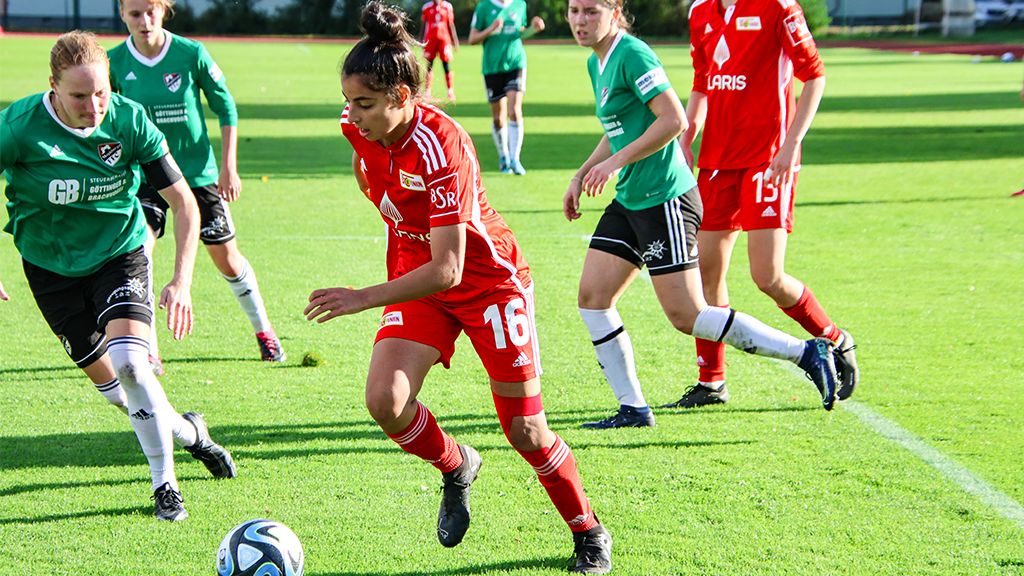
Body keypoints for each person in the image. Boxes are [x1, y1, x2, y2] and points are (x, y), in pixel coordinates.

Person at [305, 3, 611, 572]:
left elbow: (449, 268)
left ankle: (587, 529)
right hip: (419, 281)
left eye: (365, 103)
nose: (352, 115)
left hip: (487, 282)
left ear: (403, 96)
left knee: (526, 430)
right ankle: (456, 465)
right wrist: (397, 221)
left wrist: (362, 296)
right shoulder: (358, 127)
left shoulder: (443, 145)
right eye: (348, 101)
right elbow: (368, 167)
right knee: (385, 401)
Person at [564, 0, 840, 429]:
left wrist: (613, 165)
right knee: (593, 298)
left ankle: (807, 352)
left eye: (590, 11)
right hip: (632, 197)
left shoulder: (632, 54)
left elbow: (673, 120)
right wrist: (582, 173)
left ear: (614, 12)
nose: (580, 21)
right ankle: (633, 408)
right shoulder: (594, 63)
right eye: (574, 11)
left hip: (666, 199)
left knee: (688, 316)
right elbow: (619, 129)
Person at [0, 30, 236, 521]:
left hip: (120, 253)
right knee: (117, 392)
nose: (94, 106)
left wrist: (182, 280)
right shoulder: (18, 126)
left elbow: (184, 203)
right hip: (50, 268)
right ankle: (192, 433)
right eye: (80, 96)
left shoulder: (130, 120)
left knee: (133, 365)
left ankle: (164, 485)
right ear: (53, 87)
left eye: (102, 92)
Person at [666, 0, 858, 409]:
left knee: (767, 276)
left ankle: (834, 339)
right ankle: (711, 382)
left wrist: (791, 146)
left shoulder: (779, 6)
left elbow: (815, 76)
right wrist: (687, 137)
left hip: (767, 159)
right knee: (705, 272)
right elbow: (703, 81)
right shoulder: (700, 11)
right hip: (717, 161)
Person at [109, 0, 285, 373]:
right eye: (135, 13)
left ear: (164, 10)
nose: (145, 21)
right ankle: (149, 349)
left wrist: (228, 167)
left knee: (227, 258)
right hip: (146, 176)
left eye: (151, 11)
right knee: (140, 251)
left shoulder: (191, 54)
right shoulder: (114, 62)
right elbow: (109, 120)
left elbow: (226, 108)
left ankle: (265, 332)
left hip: (197, 173)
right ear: (122, 14)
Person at [468, 0, 544, 175]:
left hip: (516, 63)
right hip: (492, 67)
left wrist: (533, 29)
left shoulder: (520, 5)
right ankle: (504, 156)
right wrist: (490, 29)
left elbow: (519, 34)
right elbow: (472, 39)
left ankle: (515, 159)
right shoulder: (484, 7)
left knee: (514, 110)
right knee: (498, 118)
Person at [420, 0, 459, 102]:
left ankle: (450, 91)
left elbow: (451, 24)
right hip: (430, 40)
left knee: (446, 65)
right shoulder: (426, 7)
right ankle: (427, 91)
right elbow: (424, 25)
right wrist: (421, 41)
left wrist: (455, 40)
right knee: (429, 66)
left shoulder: (447, 6)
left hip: (444, 40)